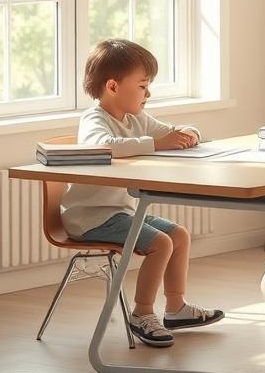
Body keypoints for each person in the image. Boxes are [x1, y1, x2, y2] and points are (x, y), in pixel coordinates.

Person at [61, 38, 224, 347]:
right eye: (143, 86)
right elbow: (102, 145)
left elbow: (171, 132)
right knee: (160, 243)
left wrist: (191, 134)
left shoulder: (136, 118)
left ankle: (175, 307)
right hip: (89, 218)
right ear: (112, 86)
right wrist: (157, 143)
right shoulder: (94, 119)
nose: (148, 94)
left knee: (178, 235)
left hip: (118, 213)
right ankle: (142, 314)